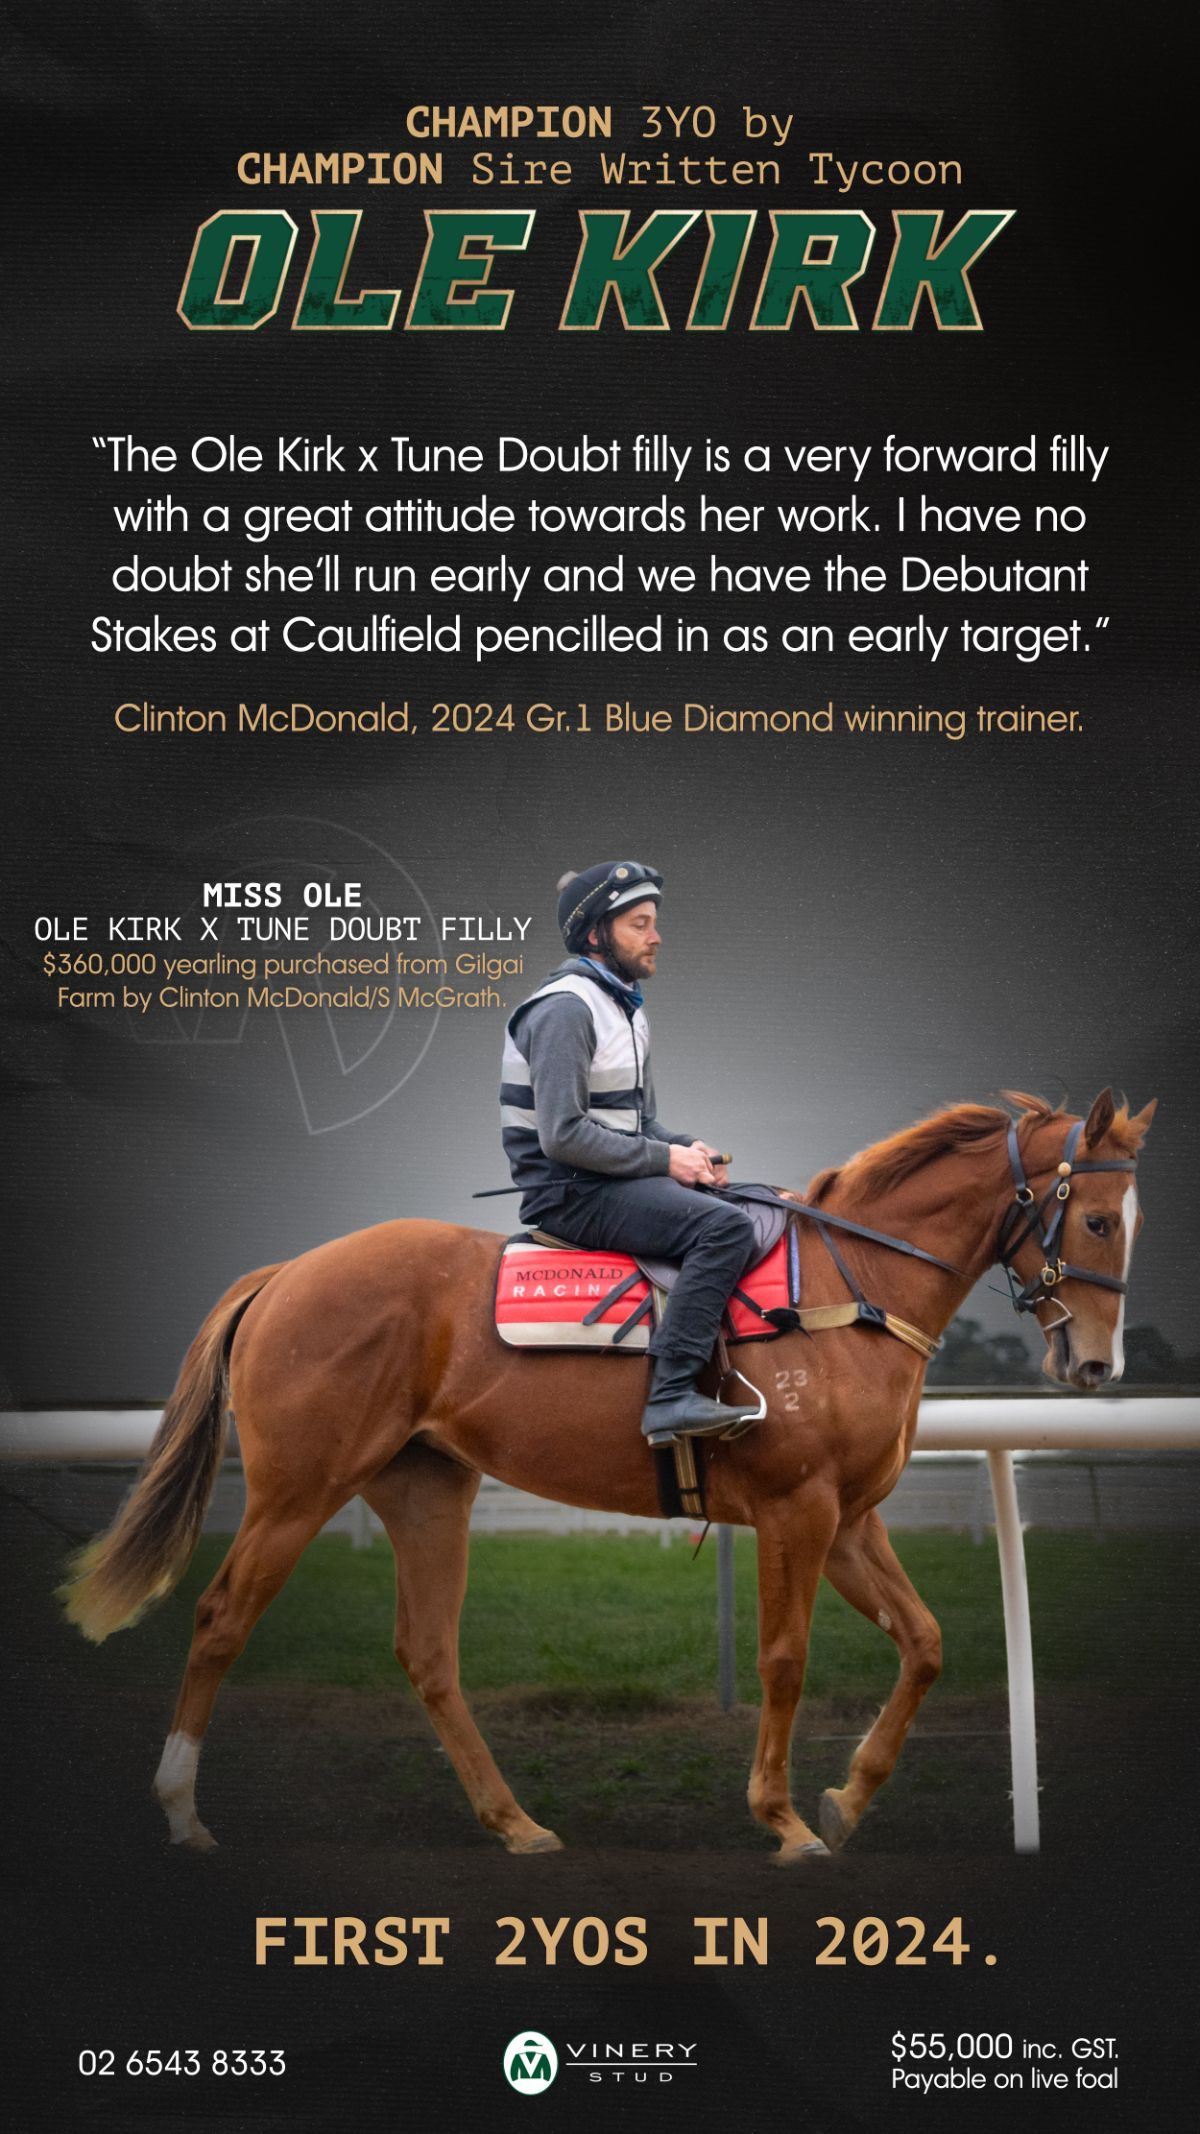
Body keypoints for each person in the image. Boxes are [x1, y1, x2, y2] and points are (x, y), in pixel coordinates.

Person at [499, 861, 761, 1445]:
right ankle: (669, 1397)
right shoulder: (566, 1009)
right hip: (572, 1194)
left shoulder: (624, 1006)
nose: (655, 936)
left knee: (753, 1205)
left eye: (654, 923)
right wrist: (667, 1161)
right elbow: (563, 1136)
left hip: (610, 1182)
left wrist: (684, 1146)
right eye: (639, 924)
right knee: (724, 1229)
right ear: (596, 934)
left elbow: (638, 1124)